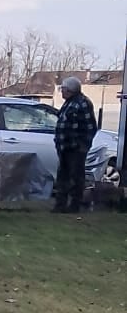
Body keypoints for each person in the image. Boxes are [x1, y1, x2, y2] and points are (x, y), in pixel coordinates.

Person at [53, 76, 97, 214]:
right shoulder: (68, 103)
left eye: (63, 89)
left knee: (76, 177)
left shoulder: (83, 103)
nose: (61, 92)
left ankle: (74, 205)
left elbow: (91, 127)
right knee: (62, 177)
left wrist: (82, 145)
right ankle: (60, 205)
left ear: (70, 90)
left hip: (76, 148)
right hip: (64, 147)